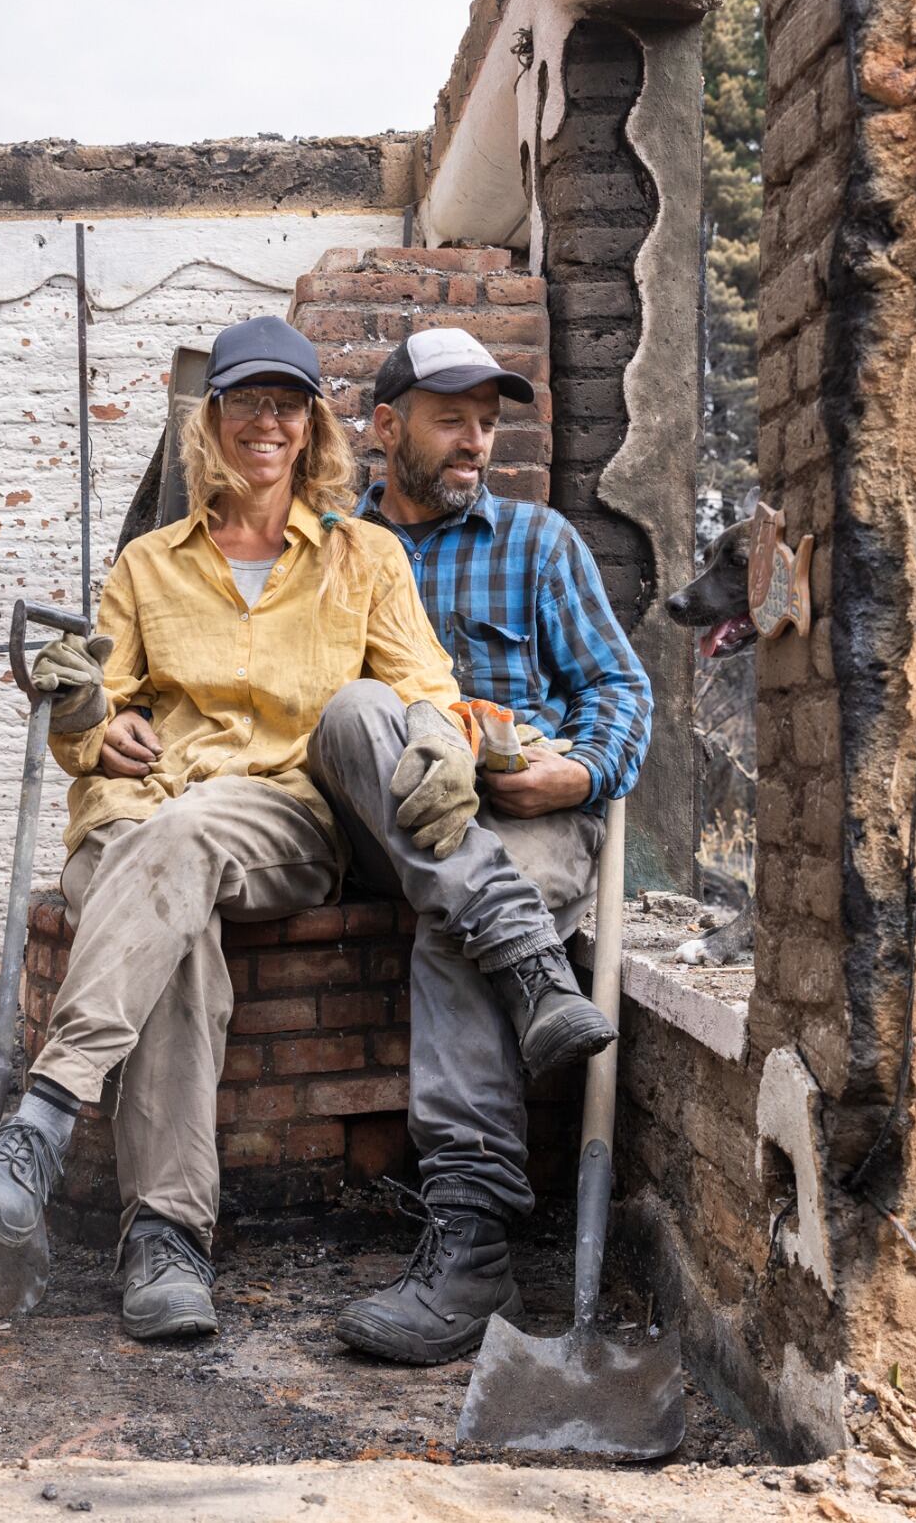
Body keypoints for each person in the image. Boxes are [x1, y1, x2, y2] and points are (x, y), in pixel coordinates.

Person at [0, 315, 614, 1344]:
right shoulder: (146, 567)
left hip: (278, 817)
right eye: (247, 400)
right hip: (137, 823)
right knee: (176, 922)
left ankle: (41, 1123)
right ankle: (163, 1240)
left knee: (211, 820)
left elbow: (422, 687)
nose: (267, 420)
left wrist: (439, 738)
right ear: (210, 422)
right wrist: (86, 712)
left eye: (287, 403)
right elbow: (87, 723)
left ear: (312, 427)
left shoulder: (361, 555)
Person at [308, 325, 653, 1365]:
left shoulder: (538, 543)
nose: (475, 441)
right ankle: (536, 969)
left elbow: (619, 690)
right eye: (450, 418)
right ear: (385, 428)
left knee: (457, 919)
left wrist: (579, 774)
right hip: (392, 819)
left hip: (527, 814)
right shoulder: (331, 552)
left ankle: (469, 1244)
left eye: (487, 422)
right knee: (358, 708)